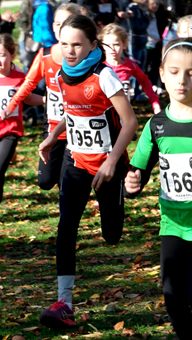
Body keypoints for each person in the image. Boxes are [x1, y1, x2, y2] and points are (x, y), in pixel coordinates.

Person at [37, 14, 138, 329]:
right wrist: (53, 137)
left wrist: (111, 162)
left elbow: (131, 122)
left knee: (111, 234)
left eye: (77, 44)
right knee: (66, 225)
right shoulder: (63, 73)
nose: (69, 51)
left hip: (108, 167)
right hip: (76, 161)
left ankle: (115, 204)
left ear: (94, 44)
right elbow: (72, 112)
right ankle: (64, 301)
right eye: (64, 44)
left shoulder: (103, 76)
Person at [124, 37, 192, 340]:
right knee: (173, 299)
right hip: (173, 225)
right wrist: (131, 183)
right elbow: (137, 172)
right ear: (162, 74)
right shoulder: (156, 125)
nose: (182, 79)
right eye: (175, 71)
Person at [1, 3, 81, 191]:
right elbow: (29, 83)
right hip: (52, 126)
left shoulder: (86, 57)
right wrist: (11, 105)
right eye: (58, 23)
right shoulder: (44, 55)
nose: (62, 28)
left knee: (66, 183)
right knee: (45, 182)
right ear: (53, 27)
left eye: (68, 23)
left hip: (77, 128)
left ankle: (68, 218)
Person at [0, 33, 44, 238]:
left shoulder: (19, 78)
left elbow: (28, 97)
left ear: (12, 55)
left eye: (2, 55)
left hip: (10, 132)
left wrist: (46, 99)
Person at [98, 23, 161, 113]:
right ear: (103, 46)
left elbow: (145, 81)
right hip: (105, 116)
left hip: (125, 116)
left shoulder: (130, 65)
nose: (112, 48)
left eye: (116, 44)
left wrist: (155, 104)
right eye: (108, 45)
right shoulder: (99, 68)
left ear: (124, 45)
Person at [126, 0, 150, 100]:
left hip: (142, 41)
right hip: (134, 42)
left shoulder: (143, 9)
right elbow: (136, 26)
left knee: (141, 69)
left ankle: (138, 92)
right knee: (134, 67)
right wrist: (144, 23)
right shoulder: (132, 9)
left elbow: (146, 23)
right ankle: (132, 92)